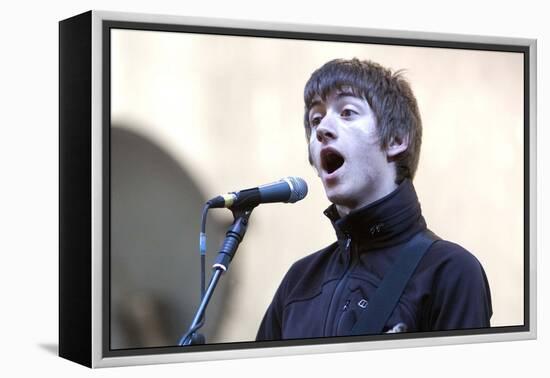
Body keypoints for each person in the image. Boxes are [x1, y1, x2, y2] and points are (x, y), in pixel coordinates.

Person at [256, 58, 492, 340]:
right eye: (315, 120)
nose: (322, 129)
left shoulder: (449, 271)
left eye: (347, 112)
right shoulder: (298, 283)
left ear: (395, 140)